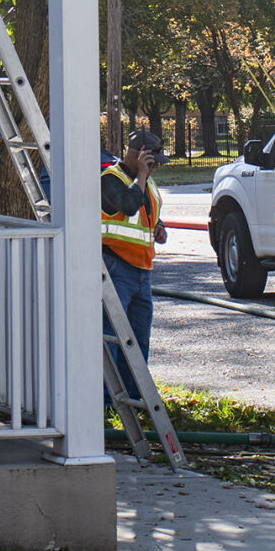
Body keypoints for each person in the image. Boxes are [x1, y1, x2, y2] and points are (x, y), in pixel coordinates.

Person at [101, 129, 167, 376]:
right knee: (112, 336)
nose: (155, 169)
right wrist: (140, 174)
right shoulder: (110, 177)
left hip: (143, 269)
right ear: (140, 156)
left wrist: (159, 228)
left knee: (139, 339)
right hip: (117, 266)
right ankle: (107, 402)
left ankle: (136, 397)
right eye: (153, 162)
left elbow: (148, 215)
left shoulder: (146, 183)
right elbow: (128, 205)